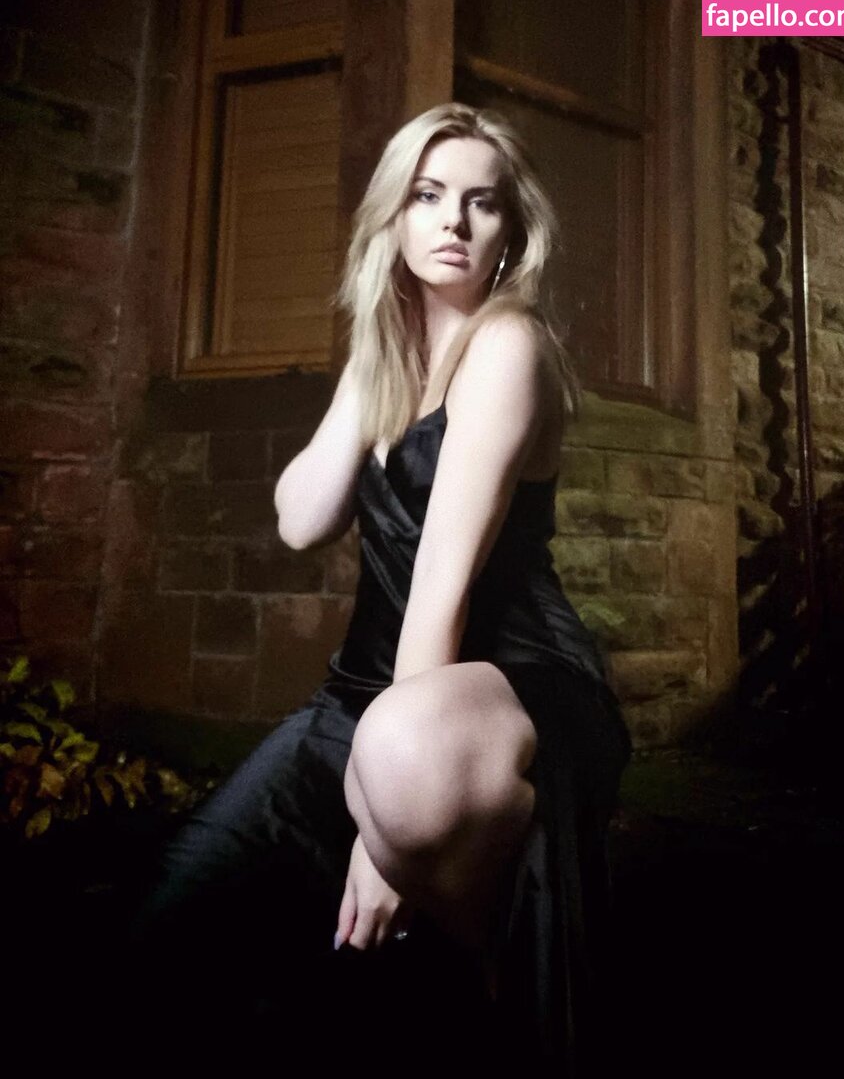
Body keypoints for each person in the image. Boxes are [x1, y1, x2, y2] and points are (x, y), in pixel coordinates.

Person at [131, 103, 631, 1076]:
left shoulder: (509, 345)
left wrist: (382, 827)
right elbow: (299, 518)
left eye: (482, 202)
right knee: (175, 917)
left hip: (508, 686)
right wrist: (373, 362)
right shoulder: (392, 350)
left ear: (511, 230)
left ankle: (490, 983)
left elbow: (440, 580)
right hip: (370, 687)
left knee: (400, 781)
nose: (454, 221)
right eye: (429, 196)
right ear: (395, 217)